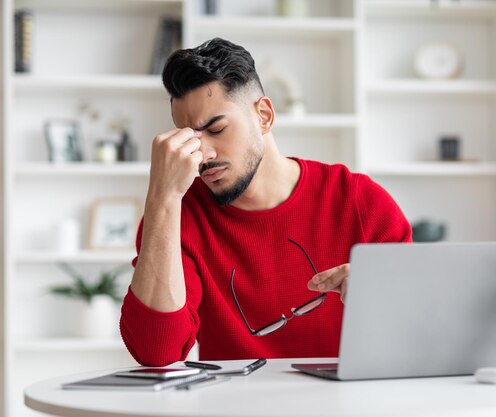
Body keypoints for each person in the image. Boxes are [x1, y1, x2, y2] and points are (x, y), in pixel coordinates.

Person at [120, 38, 412, 366]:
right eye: (188, 138)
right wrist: (162, 195)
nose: (204, 154)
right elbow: (156, 352)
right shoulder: (178, 212)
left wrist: (381, 299)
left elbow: (416, 333)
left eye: (216, 129)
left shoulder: (359, 200)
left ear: (264, 116)